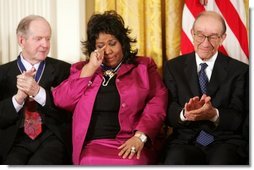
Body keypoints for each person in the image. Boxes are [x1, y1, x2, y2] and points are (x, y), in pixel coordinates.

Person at [52, 10, 168, 165]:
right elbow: (61, 100)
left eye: (112, 43)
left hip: (132, 141)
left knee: (131, 164)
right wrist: (91, 68)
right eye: (100, 46)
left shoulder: (143, 67)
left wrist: (140, 136)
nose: (107, 51)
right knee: (90, 162)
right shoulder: (82, 69)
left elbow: (158, 102)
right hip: (94, 145)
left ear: (122, 42)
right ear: (93, 48)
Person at [162, 11, 249, 165]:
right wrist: (184, 113)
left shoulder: (240, 70)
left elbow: (240, 117)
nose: (205, 43)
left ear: (223, 38)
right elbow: (167, 111)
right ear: (192, 34)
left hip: (224, 141)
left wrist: (213, 114)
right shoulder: (173, 67)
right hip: (185, 141)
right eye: (200, 35)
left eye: (213, 36)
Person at [0, 15, 72, 164]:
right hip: (14, 140)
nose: (45, 44)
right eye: (38, 39)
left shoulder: (64, 70)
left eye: (47, 38)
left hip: (52, 137)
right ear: (21, 40)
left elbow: (68, 114)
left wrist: (38, 93)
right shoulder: (2, 73)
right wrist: (18, 98)